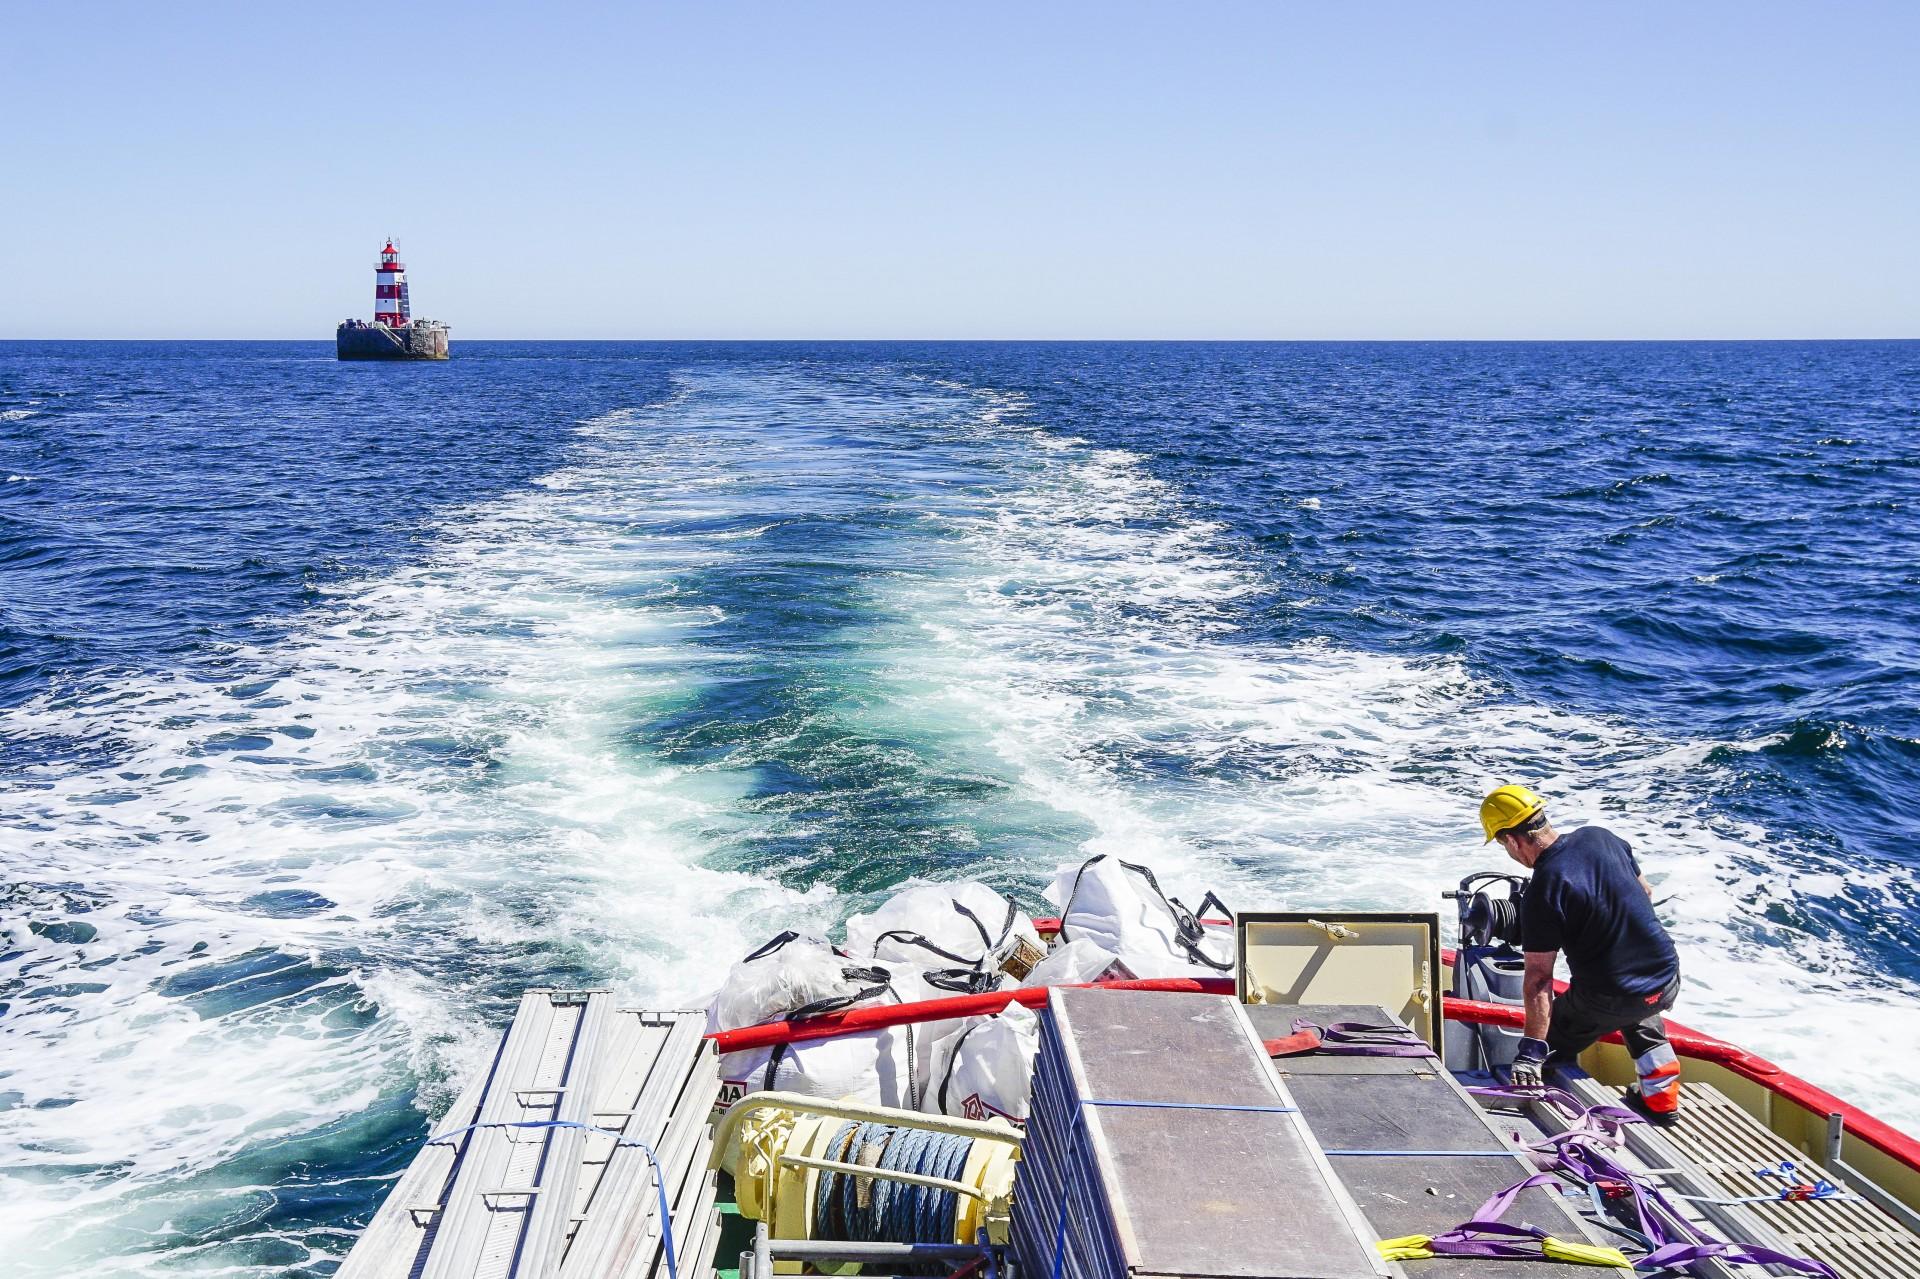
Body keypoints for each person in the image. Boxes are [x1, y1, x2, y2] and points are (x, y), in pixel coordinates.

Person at [1479, 784, 1683, 1122]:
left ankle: (1558, 1119)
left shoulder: (1545, 888)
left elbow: (1539, 979)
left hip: (1611, 995)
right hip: (1666, 976)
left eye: (1504, 845)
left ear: (1512, 840)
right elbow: (1644, 892)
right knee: (1636, 1001)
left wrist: (1532, 1051)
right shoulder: (1599, 836)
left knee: (1551, 1046)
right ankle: (1661, 1100)